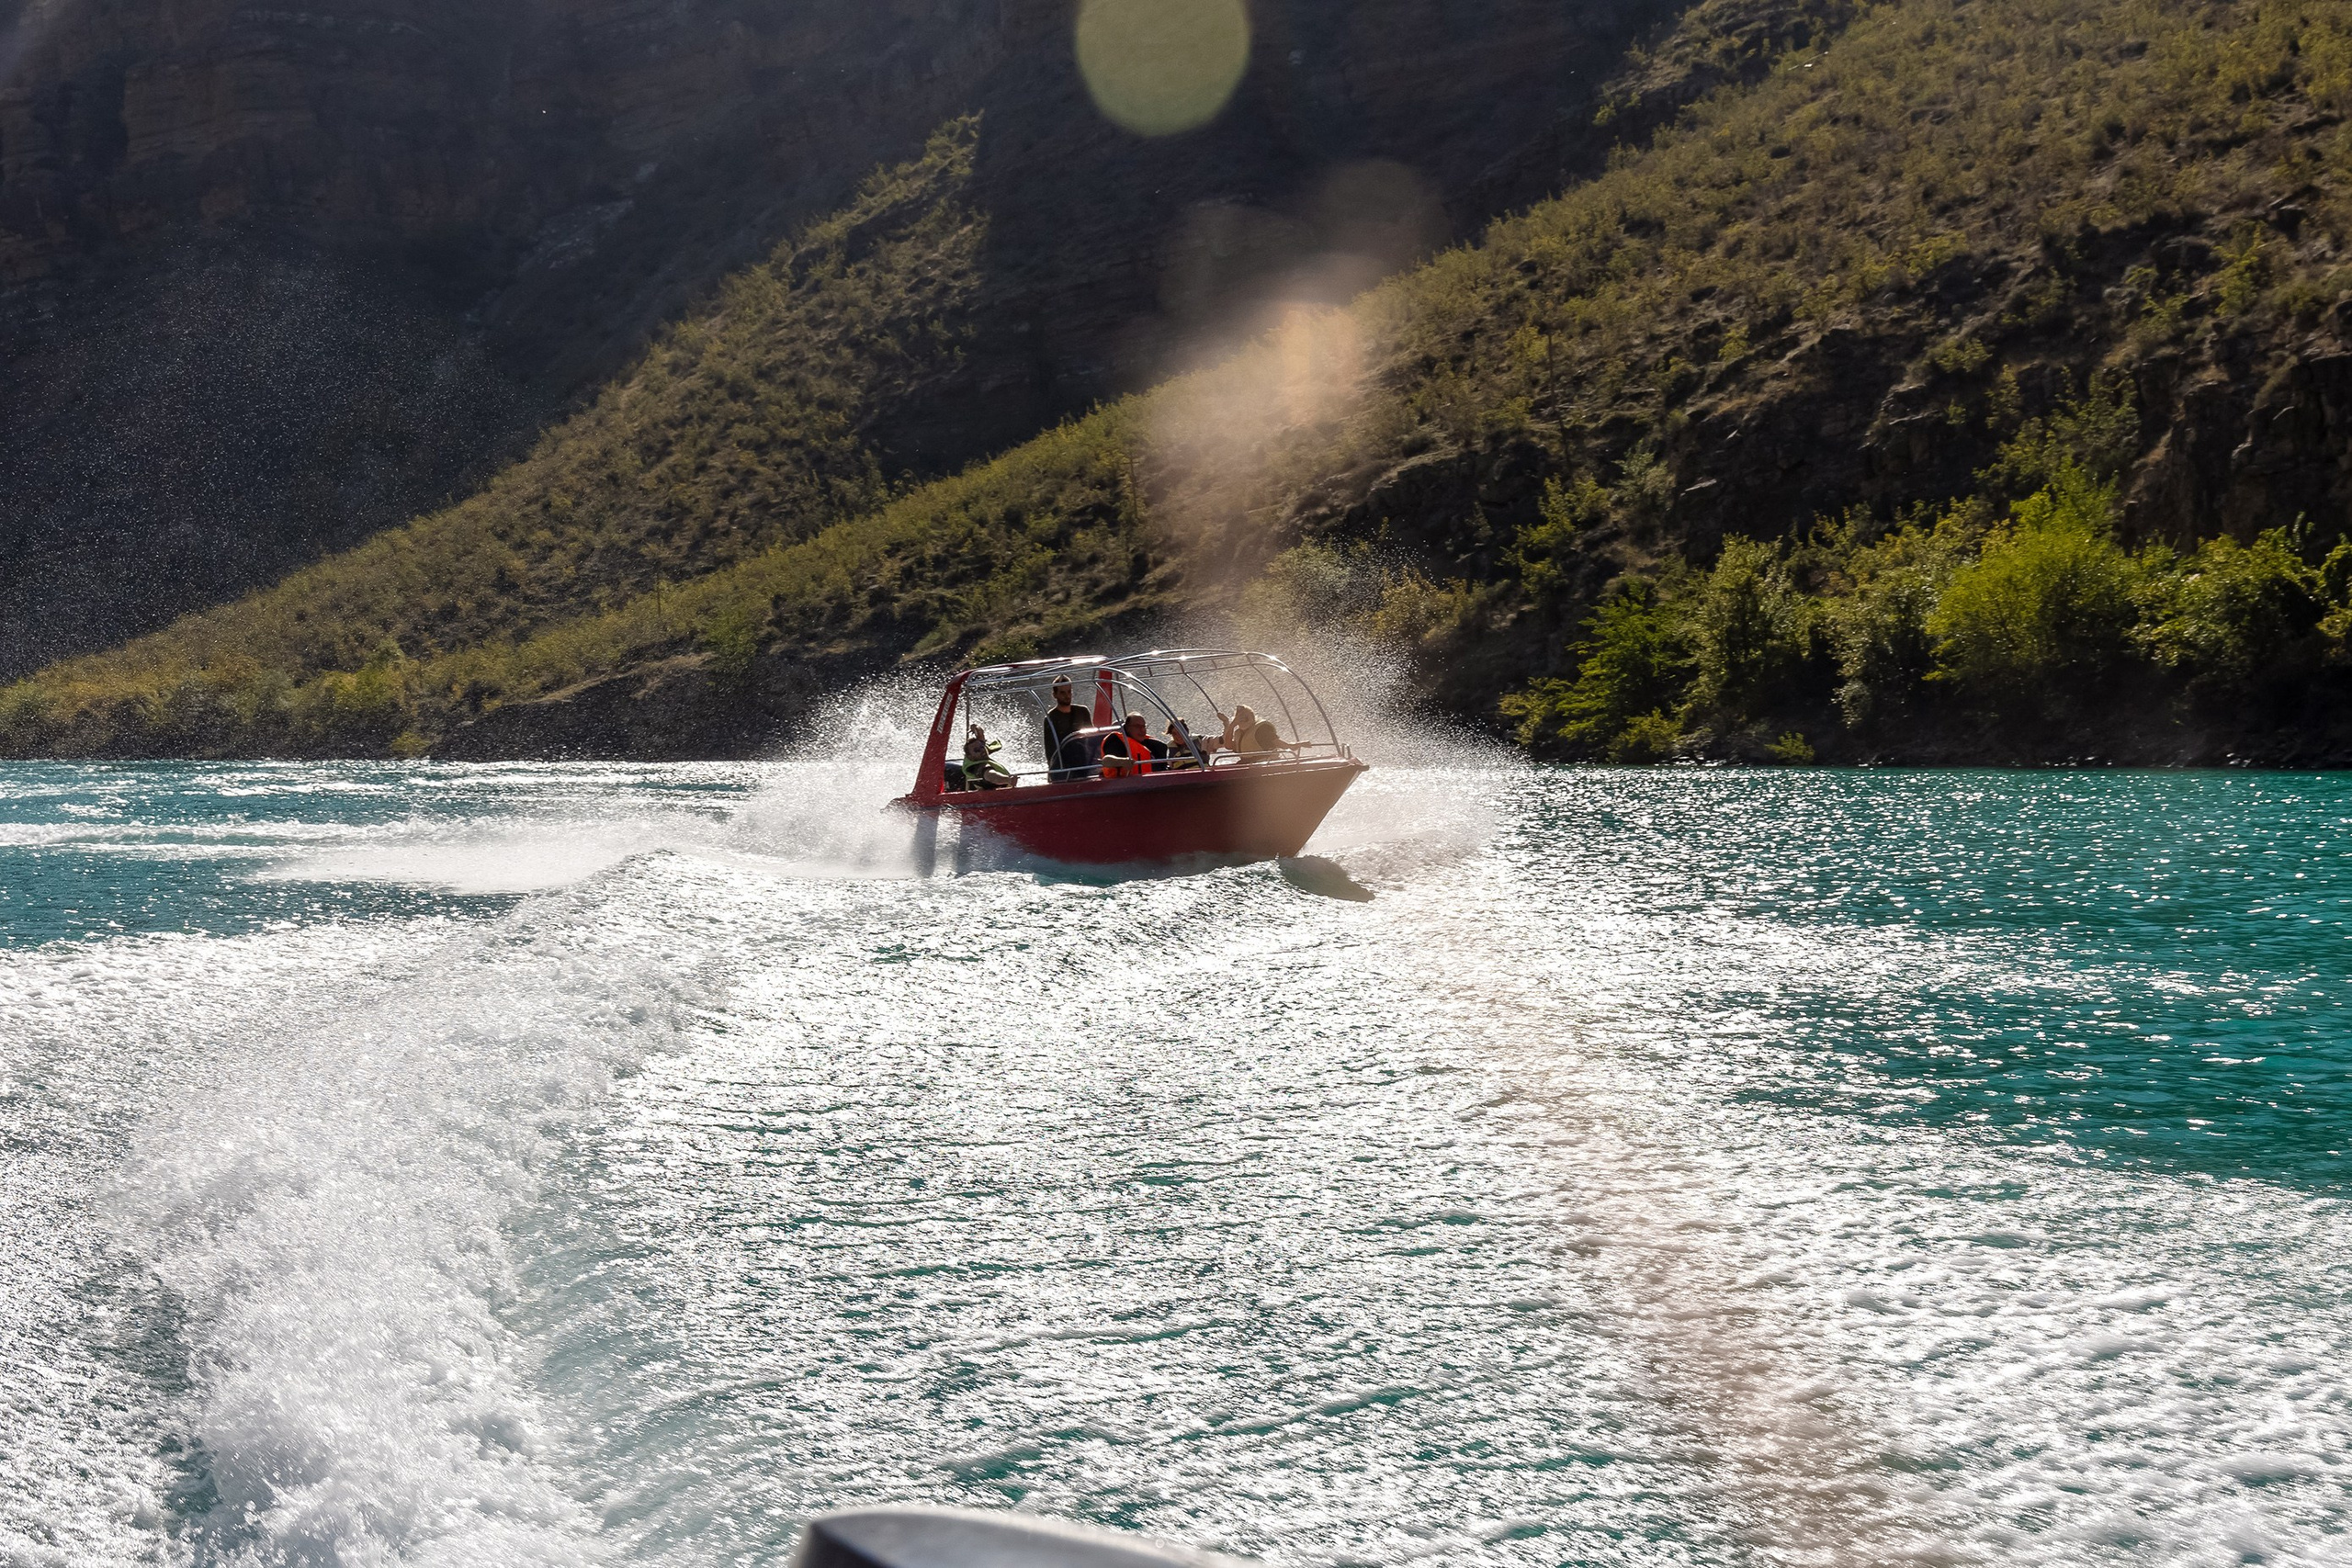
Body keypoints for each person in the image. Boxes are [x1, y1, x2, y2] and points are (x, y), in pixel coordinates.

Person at [1042, 675, 1092, 781]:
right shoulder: (1051, 718)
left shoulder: (1082, 711)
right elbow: (1051, 751)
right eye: (1062, 693)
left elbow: (1092, 738)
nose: (1067, 696)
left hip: (1084, 763)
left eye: (1069, 691)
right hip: (1064, 768)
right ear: (1054, 695)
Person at [1099, 713, 1167, 778]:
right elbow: (1106, 761)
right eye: (1137, 726)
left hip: (1153, 782)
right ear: (1127, 728)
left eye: (1144, 726)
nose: (1142, 730)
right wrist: (1122, 761)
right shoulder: (1116, 741)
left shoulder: (1153, 744)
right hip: (1124, 784)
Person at [960, 726, 1013, 790]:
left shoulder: (977, 755)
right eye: (977, 750)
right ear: (970, 756)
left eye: (982, 747)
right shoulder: (978, 766)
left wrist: (976, 728)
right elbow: (990, 776)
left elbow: (981, 737)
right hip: (998, 794)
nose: (982, 750)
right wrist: (1008, 780)